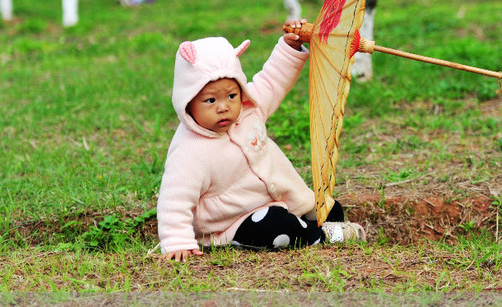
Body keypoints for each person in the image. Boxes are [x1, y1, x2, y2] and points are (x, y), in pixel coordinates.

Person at [157, 20, 366, 262]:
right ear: (188, 102)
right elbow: (174, 199)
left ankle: (319, 227)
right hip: (234, 222)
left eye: (231, 95)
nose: (224, 107)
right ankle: (320, 237)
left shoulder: (249, 109)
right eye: (210, 101)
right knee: (275, 227)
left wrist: (290, 48)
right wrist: (177, 242)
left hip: (282, 199)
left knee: (331, 208)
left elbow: (272, 80)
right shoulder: (189, 150)